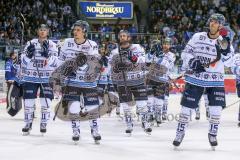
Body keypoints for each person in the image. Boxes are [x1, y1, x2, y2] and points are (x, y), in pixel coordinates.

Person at [172, 13, 234, 150]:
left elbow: (229, 62)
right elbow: (185, 53)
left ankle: (213, 134)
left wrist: (226, 52)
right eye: (211, 21)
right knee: (186, 108)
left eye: (216, 22)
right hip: (196, 78)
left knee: (216, 110)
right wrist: (192, 61)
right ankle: (179, 133)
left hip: (215, 80)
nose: (212, 23)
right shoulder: (197, 37)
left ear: (221, 26)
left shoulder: (224, 41)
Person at [57, 20, 102, 144]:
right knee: (74, 107)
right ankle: (75, 131)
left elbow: (95, 63)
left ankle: (95, 130)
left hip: (89, 82)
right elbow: (60, 61)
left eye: (78, 30)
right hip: (72, 82)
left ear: (84, 32)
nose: (75, 32)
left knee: (92, 107)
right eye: (74, 29)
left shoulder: (92, 44)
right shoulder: (66, 43)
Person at [109, 30, 152, 135]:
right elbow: (112, 67)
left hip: (138, 80)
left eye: (125, 36)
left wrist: (132, 57)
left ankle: (145, 122)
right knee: (125, 106)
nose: (123, 37)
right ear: (119, 38)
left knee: (142, 105)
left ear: (128, 37)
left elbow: (143, 61)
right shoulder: (114, 52)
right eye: (121, 36)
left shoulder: (137, 47)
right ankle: (129, 124)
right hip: (122, 82)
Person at [20, 24, 58, 135]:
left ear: (48, 31)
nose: (42, 31)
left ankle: (43, 123)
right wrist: (28, 55)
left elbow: (56, 63)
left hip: (46, 78)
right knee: (28, 103)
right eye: (40, 29)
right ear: (37, 31)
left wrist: (48, 56)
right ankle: (28, 123)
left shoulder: (52, 45)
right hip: (31, 77)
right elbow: (22, 61)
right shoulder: (30, 43)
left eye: (44, 30)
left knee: (45, 103)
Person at [146, 38, 176, 126]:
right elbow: (147, 61)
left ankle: (158, 115)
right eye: (164, 43)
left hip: (162, 79)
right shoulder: (156, 52)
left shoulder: (172, 55)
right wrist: (151, 52)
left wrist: (160, 57)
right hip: (151, 78)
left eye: (168, 44)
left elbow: (166, 66)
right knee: (149, 99)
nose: (166, 45)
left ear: (170, 45)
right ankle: (150, 115)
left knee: (159, 100)